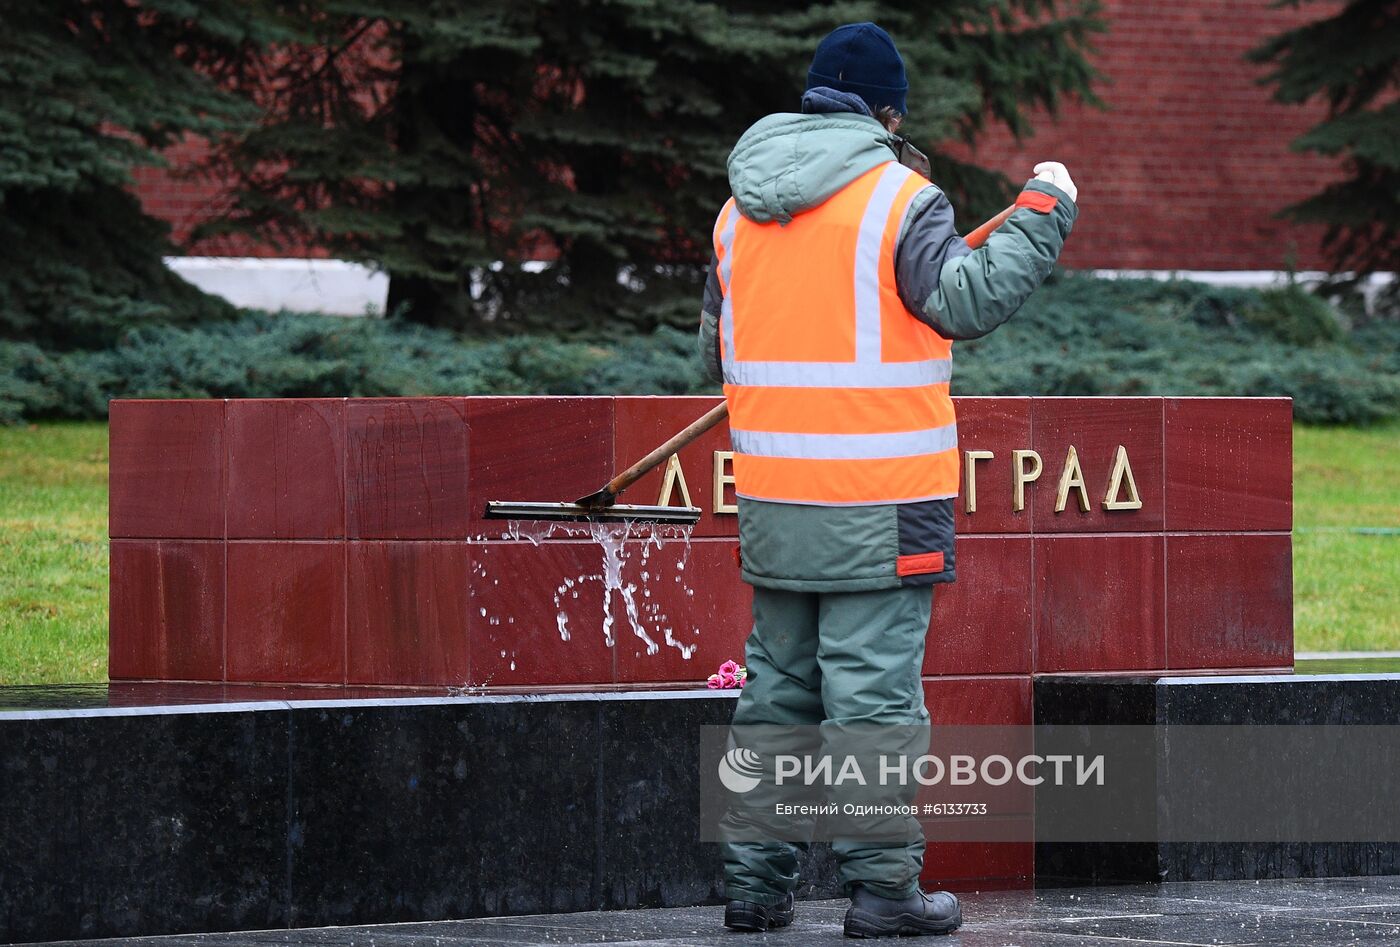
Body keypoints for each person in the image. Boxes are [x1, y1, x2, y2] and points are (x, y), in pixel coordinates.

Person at [698, 21, 1077, 939]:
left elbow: (721, 337)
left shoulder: (734, 211)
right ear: (888, 111)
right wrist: (1043, 209)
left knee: (777, 691)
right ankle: (884, 893)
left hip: (777, 498)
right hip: (884, 500)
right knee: (872, 697)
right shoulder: (902, 197)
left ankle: (753, 888)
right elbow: (964, 299)